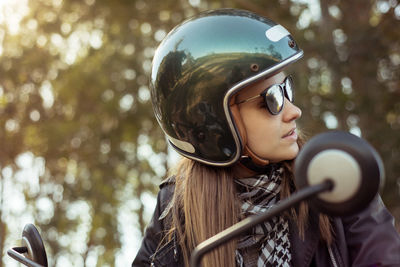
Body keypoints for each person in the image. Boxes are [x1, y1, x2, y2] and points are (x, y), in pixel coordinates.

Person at [133, 8, 400, 267]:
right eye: (271, 99)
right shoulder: (174, 212)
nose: (294, 111)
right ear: (213, 122)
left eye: (287, 91)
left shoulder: (336, 177)